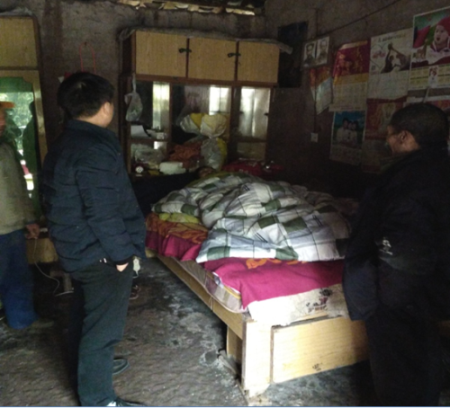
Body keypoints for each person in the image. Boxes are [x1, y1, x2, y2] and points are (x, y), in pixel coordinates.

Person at [42, 72, 146, 407]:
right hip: (100, 254)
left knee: (85, 314)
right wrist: (121, 256)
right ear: (105, 106)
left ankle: (88, 370)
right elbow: (103, 212)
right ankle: (99, 399)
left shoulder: (65, 142)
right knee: (103, 330)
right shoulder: (94, 148)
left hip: (77, 249)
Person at [342, 103, 450, 406]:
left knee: (399, 363)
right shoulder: (439, 167)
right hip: (433, 284)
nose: (387, 142)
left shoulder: (411, 179)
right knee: (421, 351)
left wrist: (390, 298)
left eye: (390, 135)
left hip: (402, 291)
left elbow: (403, 245)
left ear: (405, 136)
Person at [0, 102, 53, 330]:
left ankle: (22, 320)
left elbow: (20, 187)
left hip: (12, 228)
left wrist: (29, 218)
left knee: (19, 278)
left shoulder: (6, 149)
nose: (3, 122)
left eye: (3, 116)